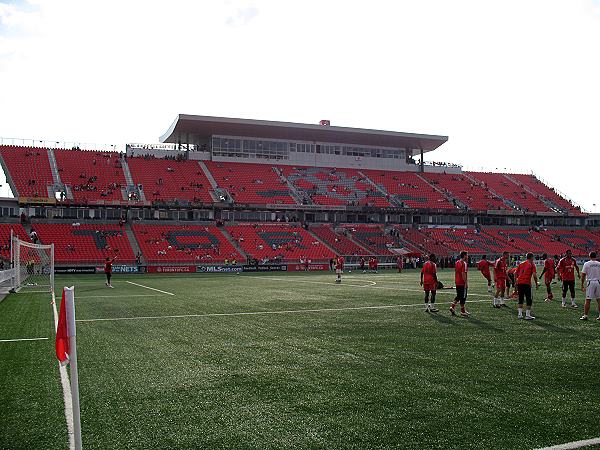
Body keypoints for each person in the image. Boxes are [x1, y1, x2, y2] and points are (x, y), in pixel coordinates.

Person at [515, 252, 540, 320]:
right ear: (531, 257)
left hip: (519, 282)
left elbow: (515, 273)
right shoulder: (532, 264)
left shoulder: (521, 263)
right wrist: (536, 283)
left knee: (521, 299)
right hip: (526, 283)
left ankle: (520, 314)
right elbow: (534, 275)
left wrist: (515, 282)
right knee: (529, 299)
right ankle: (527, 315)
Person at [580, 251, 600, 321]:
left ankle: (585, 315)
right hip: (598, 282)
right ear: (596, 256)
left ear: (589, 256)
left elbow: (583, 275)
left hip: (590, 282)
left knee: (588, 300)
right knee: (599, 300)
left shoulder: (587, 264)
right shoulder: (599, 264)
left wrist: (582, 284)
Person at [450, 251, 470, 317]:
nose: (467, 256)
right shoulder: (464, 263)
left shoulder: (457, 262)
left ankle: (452, 306)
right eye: (467, 255)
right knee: (463, 297)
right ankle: (462, 311)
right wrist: (466, 282)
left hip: (457, 281)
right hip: (462, 282)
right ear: (464, 255)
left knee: (458, 295)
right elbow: (463, 273)